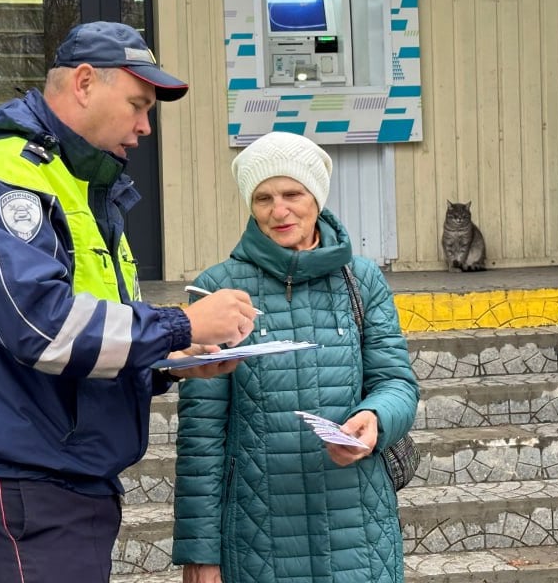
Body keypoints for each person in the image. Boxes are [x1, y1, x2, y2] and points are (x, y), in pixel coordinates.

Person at [0, 21, 258, 582]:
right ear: (86, 83)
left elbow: (89, 337)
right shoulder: (1, 173)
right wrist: (178, 323)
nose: (145, 127)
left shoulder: (77, 180)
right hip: (14, 479)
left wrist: (172, 361)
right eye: (138, 106)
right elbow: (43, 328)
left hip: (52, 475)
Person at [172, 131, 421, 583]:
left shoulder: (361, 280)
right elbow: (201, 437)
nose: (278, 210)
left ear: (317, 198)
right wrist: (200, 552)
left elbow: (397, 383)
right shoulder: (218, 288)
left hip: (359, 527)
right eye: (263, 197)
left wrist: (376, 418)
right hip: (257, 532)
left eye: (292, 194)